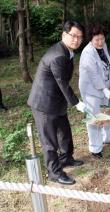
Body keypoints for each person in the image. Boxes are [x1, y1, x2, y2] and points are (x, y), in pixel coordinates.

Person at [27, 21, 87, 185]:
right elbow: (63, 83)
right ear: (64, 34)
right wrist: (76, 103)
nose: (76, 40)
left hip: (56, 99)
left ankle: (66, 158)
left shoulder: (66, 51)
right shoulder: (59, 55)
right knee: (49, 141)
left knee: (64, 132)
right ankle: (54, 173)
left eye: (79, 37)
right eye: (73, 35)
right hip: (44, 102)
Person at [79, 23, 110, 159]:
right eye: (97, 40)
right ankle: (95, 148)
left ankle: (109, 138)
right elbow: (94, 74)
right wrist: (104, 89)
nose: (100, 42)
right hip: (91, 89)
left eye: (102, 38)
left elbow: (107, 63)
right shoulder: (87, 53)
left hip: (104, 86)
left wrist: (109, 76)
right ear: (91, 39)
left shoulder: (104, 46)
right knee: (95, 117)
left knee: (109, 112)